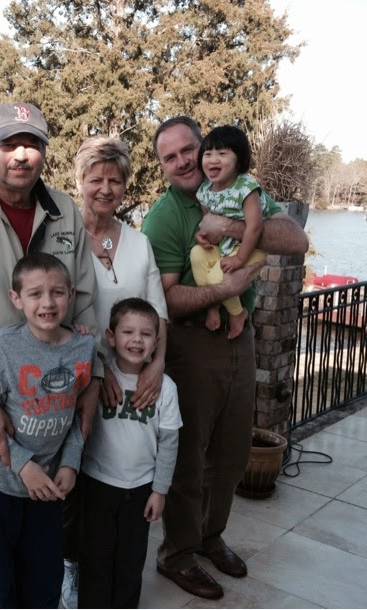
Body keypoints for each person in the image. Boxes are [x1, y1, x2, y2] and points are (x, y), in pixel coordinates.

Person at [0, 102, 102, 609]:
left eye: (32, 144)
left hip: (48, 402)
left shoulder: (63, 209)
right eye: (9, 143)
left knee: (36, 533)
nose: (21, 155)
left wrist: (93, 379)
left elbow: (86, 299)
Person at [141, 116, 308, 600]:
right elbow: (165, 299)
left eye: (188, 150)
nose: (183, 162)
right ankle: (177, 554)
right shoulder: (163, 218)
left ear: (206, 148)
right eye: (169, 157)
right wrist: (223, 289)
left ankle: (210, 538)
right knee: (189, 460)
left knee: (231, 455)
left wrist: (229, 226)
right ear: (162, 166)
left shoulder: (237, 190)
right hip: (193, 345)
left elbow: (295, 239)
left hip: (242, 338)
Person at [61, 135, 169, 609]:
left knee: (110, 481)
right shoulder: (63, 237)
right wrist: (97, 369)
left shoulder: (139, 243)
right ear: (80, 182)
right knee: (73, 479)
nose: (105, 188)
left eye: (115, 180)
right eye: (96, 179)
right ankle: (69, 571)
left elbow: (158, 310)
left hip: (129, 381)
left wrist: (157, 364)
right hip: (78, 377)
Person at [0, 253, 97, 608]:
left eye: (57, 292)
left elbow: (76, 414)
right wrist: (23, 466)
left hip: (48, 491)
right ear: (16, 299)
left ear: (71, 294)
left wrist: (70, 462)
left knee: (43, 582)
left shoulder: (83, 347)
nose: (47, 303)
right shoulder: (3, 348)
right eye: (35, 293)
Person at [78, 298, 181, 609]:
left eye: (146, 334)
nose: (137, 340)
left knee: (130, 562)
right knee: (95, 559)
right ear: (111, 337)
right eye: (128, 332)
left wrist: (160, 490)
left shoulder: (166, 388)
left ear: (156, 342)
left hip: (140, 489)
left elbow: (169, 442)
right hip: (97, 483)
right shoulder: (98, 377)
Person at [191, 125, 272, 339]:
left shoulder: (246, 188)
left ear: (239, 160)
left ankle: (237, 313)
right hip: (225, 248)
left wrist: (239, 258)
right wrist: (203, 235)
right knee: (197, 254)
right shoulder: (205, 190)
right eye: (208, 154)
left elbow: (255, 227)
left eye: (222, 153)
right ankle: (213, 305)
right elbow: (207, 221)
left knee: (216, 279)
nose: (213, 160)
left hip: (249, 249)